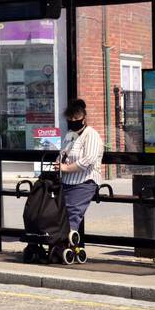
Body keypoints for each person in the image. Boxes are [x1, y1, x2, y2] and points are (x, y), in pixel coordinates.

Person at [57, 99, 103, 238]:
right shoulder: (70, 135)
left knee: (72, 212)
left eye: (76, 118)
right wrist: (59, 163)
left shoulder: (91, 134)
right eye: (70, 119)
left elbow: (88, 160)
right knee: (57, 211)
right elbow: (63, 154)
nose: (73, 121)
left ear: (84, 118)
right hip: (66, 181)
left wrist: (65, 168)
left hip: (85, 180)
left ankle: (67, 240)